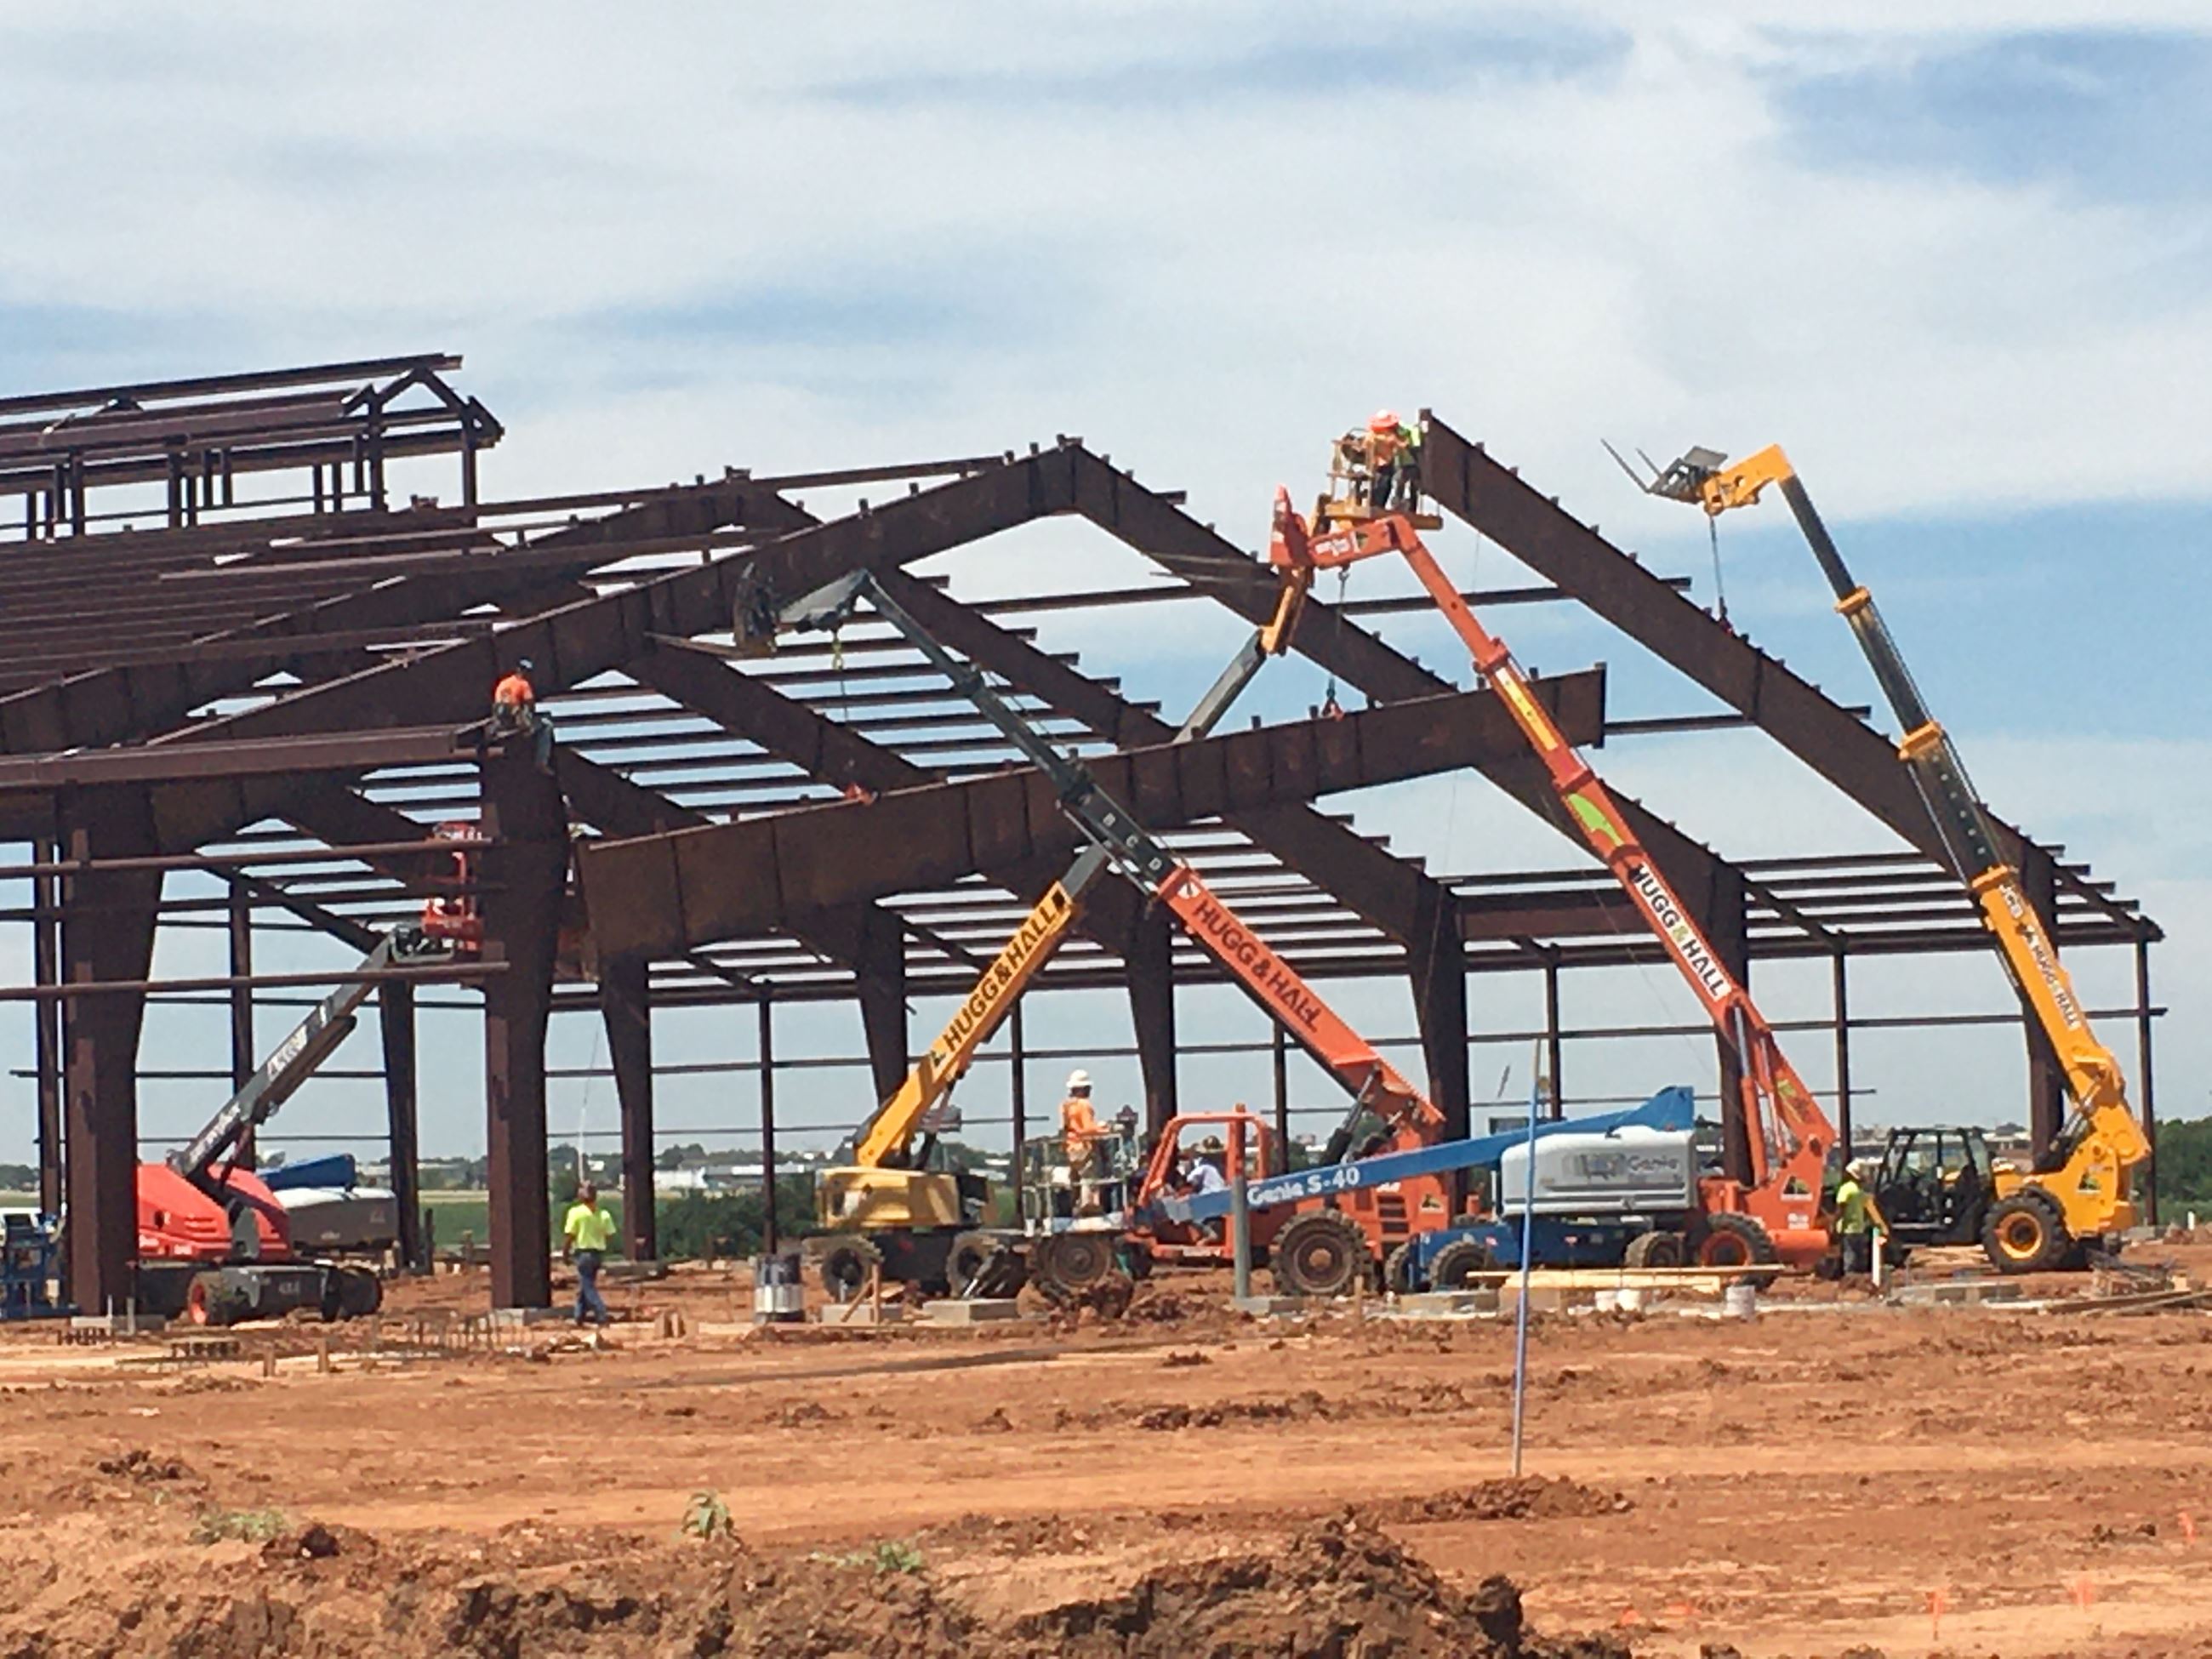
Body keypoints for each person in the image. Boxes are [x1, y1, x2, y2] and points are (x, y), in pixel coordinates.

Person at [562, 1181, 616, 1325]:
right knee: (585, 1284)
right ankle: (579, 1316)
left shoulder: (575, 1213)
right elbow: (610, 1234)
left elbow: (570, 1236)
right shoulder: (604, 1214)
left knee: (587, 1286)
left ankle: (601, 1313)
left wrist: (565, 1254)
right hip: (597, 1254)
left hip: (583, 1253)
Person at [1833, 1159, 1889, 1276]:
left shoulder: (1846, 1189)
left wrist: (1834, 1225)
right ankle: (1858, 1277)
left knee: (1849, 1255)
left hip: (1847, 1227)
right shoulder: (1860, 1192)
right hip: (1859, 1227)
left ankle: (1849, 1278)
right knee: (1858, 1256)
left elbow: (1840, 1208)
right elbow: (1868, 1210)